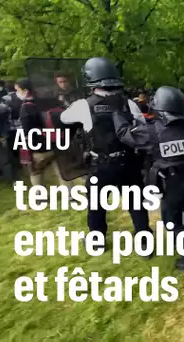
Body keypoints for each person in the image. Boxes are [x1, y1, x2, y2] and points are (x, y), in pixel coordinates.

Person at [112, 86, 184, 272]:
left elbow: (125, 135)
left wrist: (117, 113)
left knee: (172, 220)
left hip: (171, 182)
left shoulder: (152, 131)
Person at [60, 57, 152, 252]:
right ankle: (144, 242)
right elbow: (142, 128)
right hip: (128, 163)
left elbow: (64, 118)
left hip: (101, 165)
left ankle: (97, 241)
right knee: (136, 204)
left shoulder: (83, 105)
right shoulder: (129, 104)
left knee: (96, 206)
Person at [17, 78, 73, 194]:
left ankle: (40, 197)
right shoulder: (52, 101)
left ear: (26, 90)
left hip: (40, 147)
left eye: (19, 90)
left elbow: (27, 130)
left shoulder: (27, 106)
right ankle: (71, 195)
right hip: (58, 142)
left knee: (36, 172)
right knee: (62, 171)